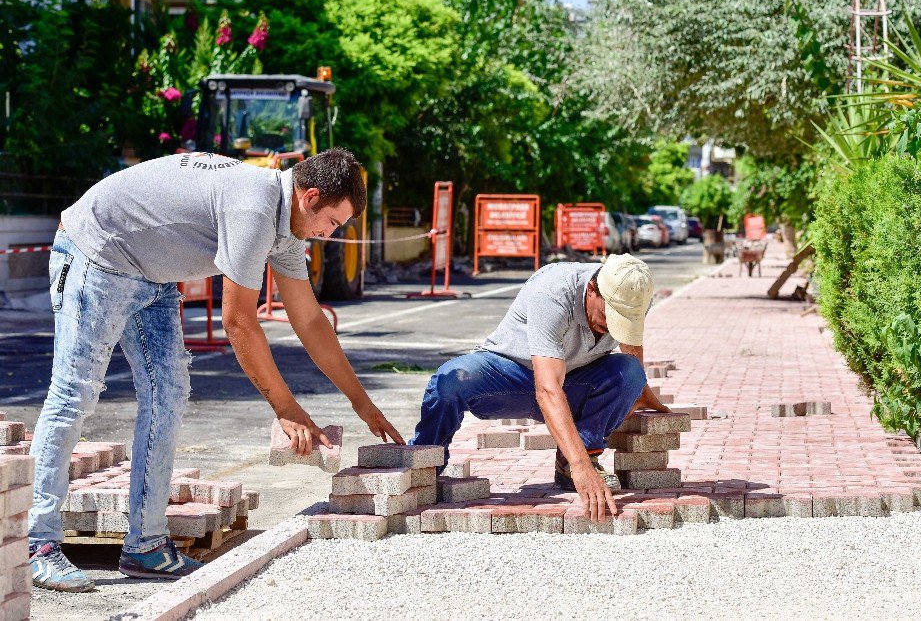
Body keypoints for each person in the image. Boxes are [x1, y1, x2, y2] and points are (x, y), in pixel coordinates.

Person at [29, 148, 403, 592]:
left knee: (167, 396)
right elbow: (239, 322)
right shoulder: (255, 208)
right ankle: (39, 545)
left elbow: (310, 321)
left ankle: (145, 546)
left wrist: (361, 401)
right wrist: (284, 407)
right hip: (98, 253)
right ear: (310, 197)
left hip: (152, 274)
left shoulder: (286, 230)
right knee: (75, 392)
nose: (328, 233)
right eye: (333, 222)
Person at [410, 254, 669, 523]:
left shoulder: (635, 292)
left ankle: (577, 458)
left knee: (629, 372)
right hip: (511, 376)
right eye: (608, 316)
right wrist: (583, 469)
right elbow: (547, 389)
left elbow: (631, 343)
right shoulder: (554, 290)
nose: (611, 328)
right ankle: (421, 467)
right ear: (592, 290)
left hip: (574, 382)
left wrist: (640, 387)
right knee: (450, 380)